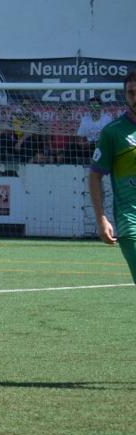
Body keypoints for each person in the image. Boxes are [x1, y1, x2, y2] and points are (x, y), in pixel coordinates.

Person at [88, 74, 136, 282]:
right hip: (130, 220)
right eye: (131, 93)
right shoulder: (113, 132)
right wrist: (101, 218)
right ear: (125, 96)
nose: (135, 97)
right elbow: (94, 177)